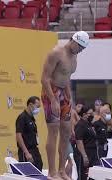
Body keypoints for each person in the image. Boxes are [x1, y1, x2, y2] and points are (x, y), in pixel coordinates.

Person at [41, 31, 90, 180]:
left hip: (64, 94)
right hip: (51, 93)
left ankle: (62, 170)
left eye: (83, 49)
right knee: (53, 132)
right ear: (74, 41)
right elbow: (44, 78)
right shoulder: (56, 53)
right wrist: (53, 99)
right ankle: (52, 172)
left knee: (66, 132)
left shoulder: (74, 55)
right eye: (80, 47)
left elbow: (67, 76)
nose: (81, 51)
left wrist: (69, 96)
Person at [15, 96, 43, 171]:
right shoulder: (22, 117)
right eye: (37, 106)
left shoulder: (32, 118)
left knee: (39, 167)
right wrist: (26, 153)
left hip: (34, 149)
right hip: (27, 151)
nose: (38, 109)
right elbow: (18, 135)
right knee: (29, 173)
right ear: (30, 105)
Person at [74, 105, 99, 180]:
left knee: (92, 175)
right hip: (84, 153)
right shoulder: (80, 125)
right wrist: (84, 156)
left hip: (92, 153)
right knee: (83, 175)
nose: (92, 115)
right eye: (90, 114)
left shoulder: (89, 124)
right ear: (84, 114)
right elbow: (79, 141)